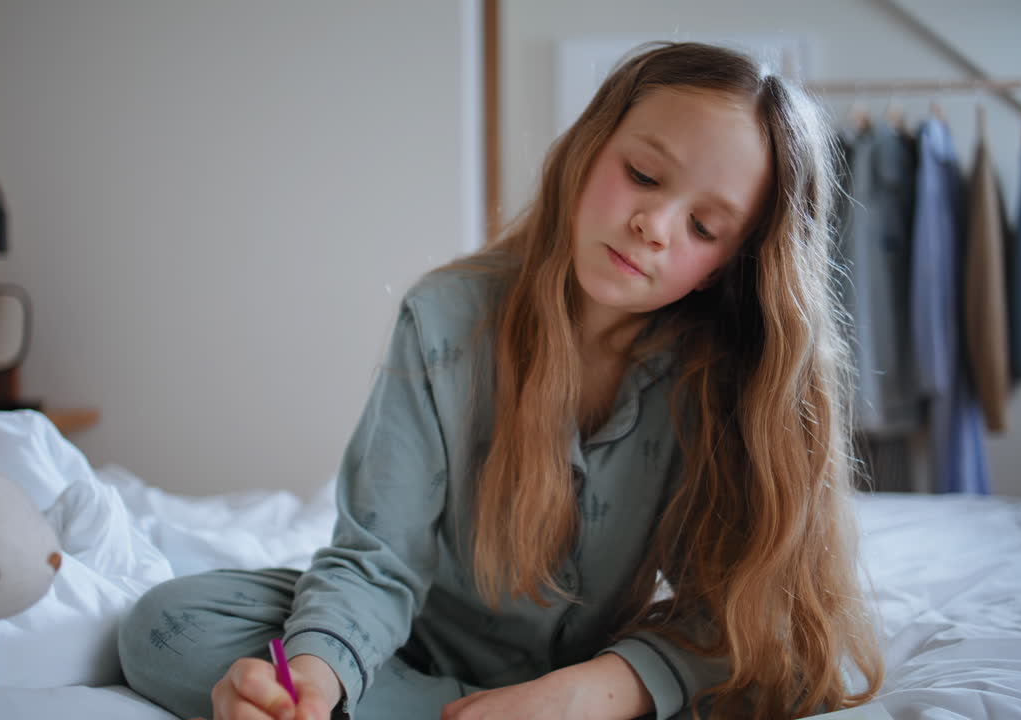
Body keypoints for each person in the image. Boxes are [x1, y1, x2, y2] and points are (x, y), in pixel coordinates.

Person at [117, 41, 885, 720]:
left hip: (596, 670)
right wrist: (314, 683)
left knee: (781, 662)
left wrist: (591, 693)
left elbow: (749, 618)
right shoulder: (447, 318)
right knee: (165, 627)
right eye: (644, 175)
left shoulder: (725, 376)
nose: (655, 224)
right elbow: (377, 559)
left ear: (734, 263)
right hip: (406, 638)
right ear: (590, 148)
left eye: (704, 228)